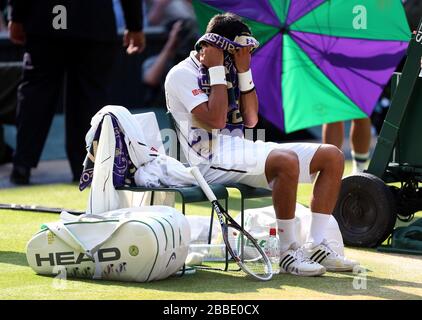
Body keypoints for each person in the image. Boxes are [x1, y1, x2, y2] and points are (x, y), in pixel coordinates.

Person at [165, 13, 359, 276]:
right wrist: (216, 70)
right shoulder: (181, 73)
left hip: (241, 150)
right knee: (285, 160)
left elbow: (252, 120)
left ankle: (316, 245)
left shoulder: (232, 69)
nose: (243, 56)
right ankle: (289, 251)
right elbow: (216, 119)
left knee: (332, 156)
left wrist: (244, 72)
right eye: (239, 51)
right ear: (220, 48)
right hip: (206, 158)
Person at [8, 0, 145, 185]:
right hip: (92, 22)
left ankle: (22, 165)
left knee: (37, 94)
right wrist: (134, 24)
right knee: (88, 98)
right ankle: (87, 168)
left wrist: (17, 16)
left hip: (48, 20)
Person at [142, 18, 197, 107]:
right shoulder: (153, 61)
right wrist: (171, 42)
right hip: (162, 109)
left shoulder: (193, 63)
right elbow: (150, 79)